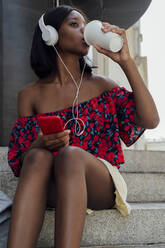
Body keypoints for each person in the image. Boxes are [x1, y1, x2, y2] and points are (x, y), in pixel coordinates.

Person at [7, 4, 159, 248]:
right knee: (36, 156)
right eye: (74, 24)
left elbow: (151, 120)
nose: (84, 30)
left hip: (99, 183)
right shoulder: (30, 95)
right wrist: (39, 144)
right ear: (51, 35)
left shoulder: (102, 85)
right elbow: (21, 162)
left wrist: (126, 62)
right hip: (55, 183)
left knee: (70, 155)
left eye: (85, 25)